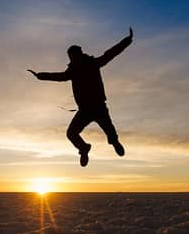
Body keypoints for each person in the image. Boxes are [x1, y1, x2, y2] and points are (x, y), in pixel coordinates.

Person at [29, 27, 134, 167]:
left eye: (73, 55)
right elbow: (59, 76)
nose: (72, 58)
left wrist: (127, 41)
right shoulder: (72, 70)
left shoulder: (92, 63)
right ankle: (84, 148)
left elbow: (111, 53)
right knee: (71, 133)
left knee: (109, 130)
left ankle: (114, 142)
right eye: (71, 56)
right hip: (84, 110)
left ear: (78, 54)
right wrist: (41, 76)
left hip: (98, 106)